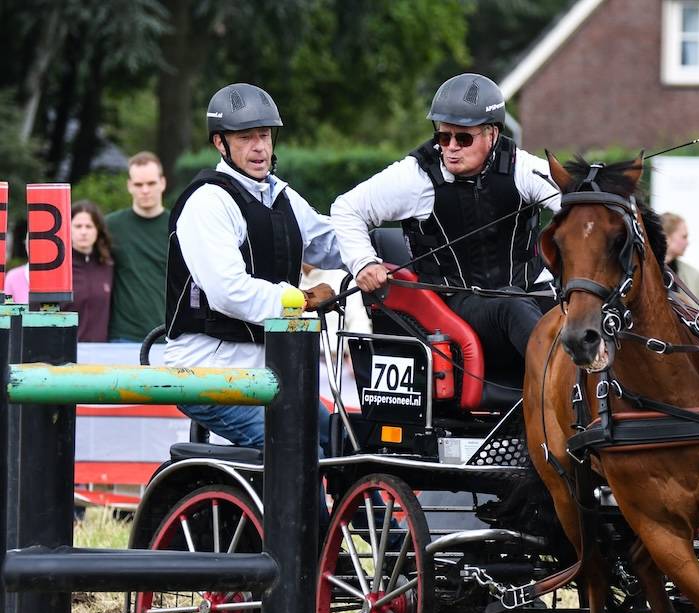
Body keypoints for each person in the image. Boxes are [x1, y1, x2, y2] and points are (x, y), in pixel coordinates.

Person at [331, 73, 560, 377]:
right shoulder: (415, 177)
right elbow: (346, 208)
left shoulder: (523, 168)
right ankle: (563, 389)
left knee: (589, 314)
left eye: (463, 138)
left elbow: (579, 204)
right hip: (456, 312)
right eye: (443, 137)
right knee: (512, 307)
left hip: (532, 295)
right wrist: (363, 262)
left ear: (492, 134)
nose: (451, 147)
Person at [164, 82, 340, 449]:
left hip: (270, 372)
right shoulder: (207, 202)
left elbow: (331, 244)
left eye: (264, 135)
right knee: (299, 450)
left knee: (345, 444)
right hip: (207, 375)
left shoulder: (282, 196)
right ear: (220, 143)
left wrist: (382, 253)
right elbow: (229, 292)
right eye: (245, 138)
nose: (259, 147)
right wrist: (304, 300)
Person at [107, 152, 170, 343]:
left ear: (162, 183)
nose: (145, 190)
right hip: (122, 336)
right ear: (129, 186)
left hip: (168, 336)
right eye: (138, 184)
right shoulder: (110, 226)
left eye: (151, 183)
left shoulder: (179, 226)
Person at [60, 200, 114, 342]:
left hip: (101, 350)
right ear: (68, 228)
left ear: (97, 230)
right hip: (64, 349)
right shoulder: (59, 267)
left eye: (89, 226)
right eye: (78, 226)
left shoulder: (107, 265)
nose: (83, 232)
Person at [661, 212, 699, 308]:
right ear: (666, 237)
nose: (687, 242)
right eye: (684, 237)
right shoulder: (642, 272)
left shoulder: (694, 276)